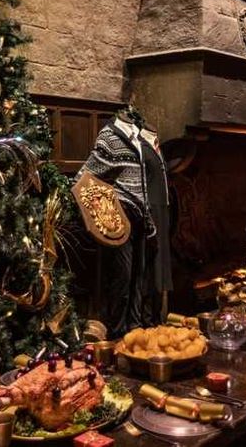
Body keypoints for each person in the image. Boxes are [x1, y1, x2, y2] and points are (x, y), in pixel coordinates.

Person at [77, 106, 171, 337]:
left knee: (138, 276)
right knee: (122, 275)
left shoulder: (137, 137)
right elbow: (86, 174)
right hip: (119, 215)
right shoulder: (110, 136)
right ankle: (118, 331)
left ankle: (134, 327)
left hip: (140, 214)